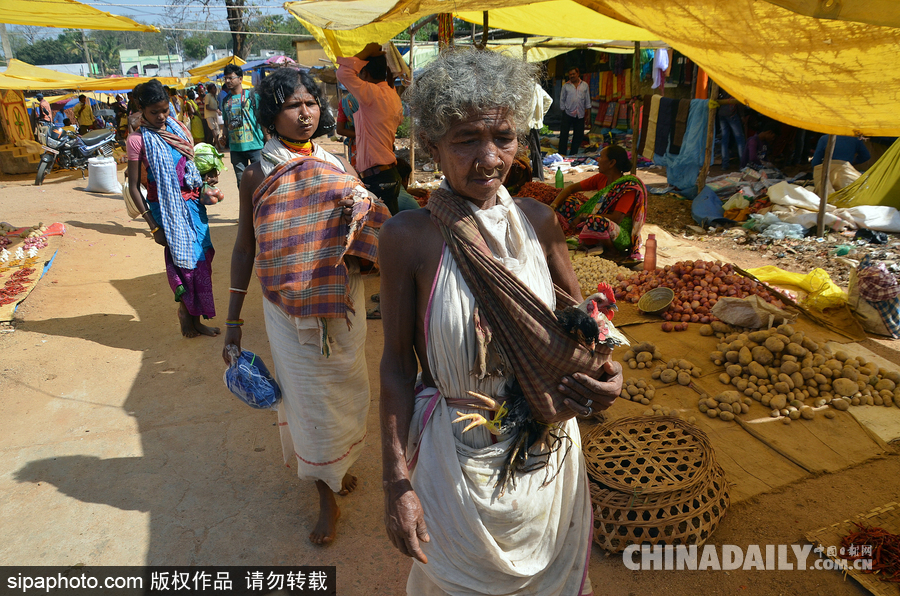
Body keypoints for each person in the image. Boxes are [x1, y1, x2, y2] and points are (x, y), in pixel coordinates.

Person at [379, 49, 622, 596]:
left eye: (504, 137)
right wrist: (397, 481)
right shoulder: (408, 238)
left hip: (549, 454)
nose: (489, 158)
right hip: (456, 463)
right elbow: (396, 366)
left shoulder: (540, 223)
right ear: (432, 145)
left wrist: (608, 373)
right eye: (466, 139)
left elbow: (585, 333)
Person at [223, 67, 390, 546]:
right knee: (308, 400)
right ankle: (325, 496)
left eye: (311, 103)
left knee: (346, 390)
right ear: (271, 114)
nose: (304, 113)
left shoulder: (338, 163)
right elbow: (244, 248)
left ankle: (338, 469)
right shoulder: (257, 171)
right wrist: (233, 321)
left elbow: (367, 222)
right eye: (292, 105)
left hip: (341, 302)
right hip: (288, 310)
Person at [126, 79, 218, 339]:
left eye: (165, 110)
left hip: (192, 205)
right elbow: (134, 187)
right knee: (184, 265)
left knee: (202, 260)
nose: (161, 116)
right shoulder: (137, 140)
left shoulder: (177, 128)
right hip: (165, 211)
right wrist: (153, 226)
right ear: (141, 108)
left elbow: (190, 168)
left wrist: (206, 183)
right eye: (154, 112)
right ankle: (185, 316)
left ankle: (196, 318)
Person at [336, 42, 404, 214]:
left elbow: (343, 72)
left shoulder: (372, 93)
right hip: (387, 173)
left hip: (379, 176)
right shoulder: (392, 94)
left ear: (365, 73)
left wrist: (366, 51)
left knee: (382, 233)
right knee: (388, 228)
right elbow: (399, 121)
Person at [551, 144, 648, 260]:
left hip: (619, 234)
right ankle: (587, 241)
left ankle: (612, 251)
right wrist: (553, 206)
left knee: (596, 221)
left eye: (601, 157)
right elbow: (571, 189)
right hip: (598, 224)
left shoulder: (627, 188)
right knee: (569, 203)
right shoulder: (601, 178)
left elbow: (616, 218)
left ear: (612, 163)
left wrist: (583, 217)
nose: (597, 160)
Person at [220, 64, 264, 187]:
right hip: (236, 148)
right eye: (226, 78)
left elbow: (262, 118)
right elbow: (226, 122)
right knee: (242, 183)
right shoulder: (225, 101)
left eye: (231, 78)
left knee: (262, 180)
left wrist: (267, 139)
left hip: (255, 145)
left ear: (240, 79)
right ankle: (248, 206)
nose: (227, 81)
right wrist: (224, 136)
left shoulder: (252, 96)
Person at [557, 66, 591, 157]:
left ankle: (573, 154)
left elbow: (587, 100)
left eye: (573, 74)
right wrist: (563, 109)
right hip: (568, 113)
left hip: (580, 114)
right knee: (564, 135)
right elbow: (562, 99)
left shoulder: (585, 85)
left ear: (578, 74)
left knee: (578, 135)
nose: (572, 76)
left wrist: (588, 114)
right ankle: (562, 153)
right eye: (570, 74)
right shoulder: (566, 86)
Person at [713, 89, 746, 170]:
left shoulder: (722, 83)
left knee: (724, 138)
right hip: (731, 112)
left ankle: (725, 164)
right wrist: (742, 115)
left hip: (721, 112)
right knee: (739, 138)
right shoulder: (735, 84)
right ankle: (743, 165)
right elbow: (739, 101)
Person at [527, 82, 553, 180]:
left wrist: (540, 115)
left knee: (534, 150)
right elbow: (549, 100)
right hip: (535, 122)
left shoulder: (528, 87)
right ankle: (536, 173)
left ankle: (538, 175)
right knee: (535, 149)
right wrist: (540, 115)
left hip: (529, 123)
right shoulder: (537, 86)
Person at [335, 89, 359, 167]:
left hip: (357, 146)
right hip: (379, 142)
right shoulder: (377, 96)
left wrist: (360, 135)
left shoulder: (345, 101)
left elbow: (340, 129)